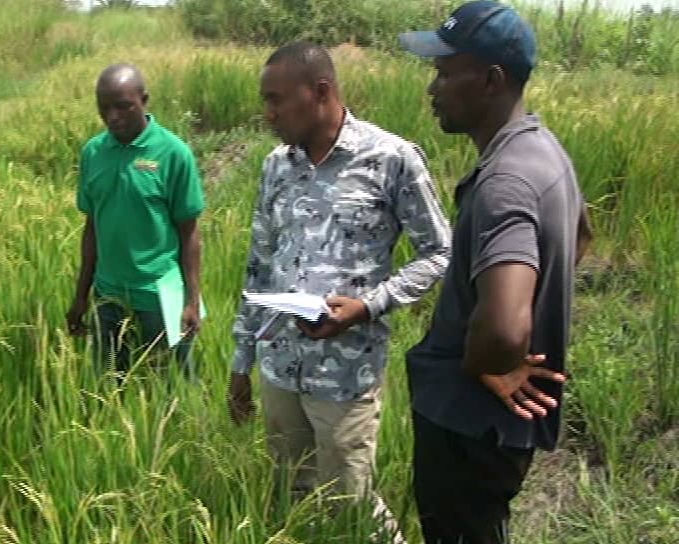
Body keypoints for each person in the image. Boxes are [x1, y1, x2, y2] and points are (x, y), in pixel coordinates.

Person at [227, 41, 452, 529]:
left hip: (345, 375)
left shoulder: (391, 159)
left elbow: (440, 253)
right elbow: (259, 264)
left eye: (276, 100)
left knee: (350, 508)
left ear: (321, 92)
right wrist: (241, 362)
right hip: (280, 368)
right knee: (291, 498)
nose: (267, 114)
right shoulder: (276, 166)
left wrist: (367, 306)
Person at [399, 0, 593, 543]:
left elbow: (506, 329)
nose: (432, 89)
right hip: (495, 435)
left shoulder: (504, 182)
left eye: (443, 72)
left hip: (467, 426)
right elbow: (580, 236)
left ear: (491, 80)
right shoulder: (544, 150)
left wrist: (491, 360)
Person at [66, 64, 205, 380]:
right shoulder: (94, 153)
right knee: (112, 383)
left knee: (174, 386)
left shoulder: (173, 154)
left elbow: (190, 233)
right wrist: (80, 296)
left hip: (159, 295)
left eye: (123, 106)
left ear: (144, 100)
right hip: (108, 295)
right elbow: (93, 227)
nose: (113, 116)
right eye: (104, 108)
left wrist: (192, 300)